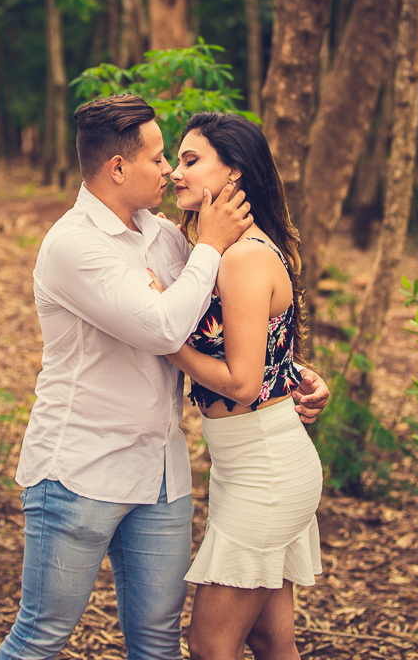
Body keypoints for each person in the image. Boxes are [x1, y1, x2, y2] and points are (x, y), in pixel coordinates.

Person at [0, 94, 329, 660]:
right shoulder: (75, 246)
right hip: (81, 470)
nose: (170, 170)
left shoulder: (168, 238)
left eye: (183, 157)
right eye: (160, 157)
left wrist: (291, 374)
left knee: (157, 645)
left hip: (161, 478)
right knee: (40, 636)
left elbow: (222, 332)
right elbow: (166, 327)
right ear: (117, 167)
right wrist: (213, 246)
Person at [157, 112, 323, 660]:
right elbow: (268, 356)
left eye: (190, 160)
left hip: (265, 470)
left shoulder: (246, 257)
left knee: (209, 644)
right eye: (177, 159)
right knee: (271, 641)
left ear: (233, 174)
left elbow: (244, 382)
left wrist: (165, 339)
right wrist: (303, 378)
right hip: (249, 464)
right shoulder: (227, 253)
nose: (176, 172)